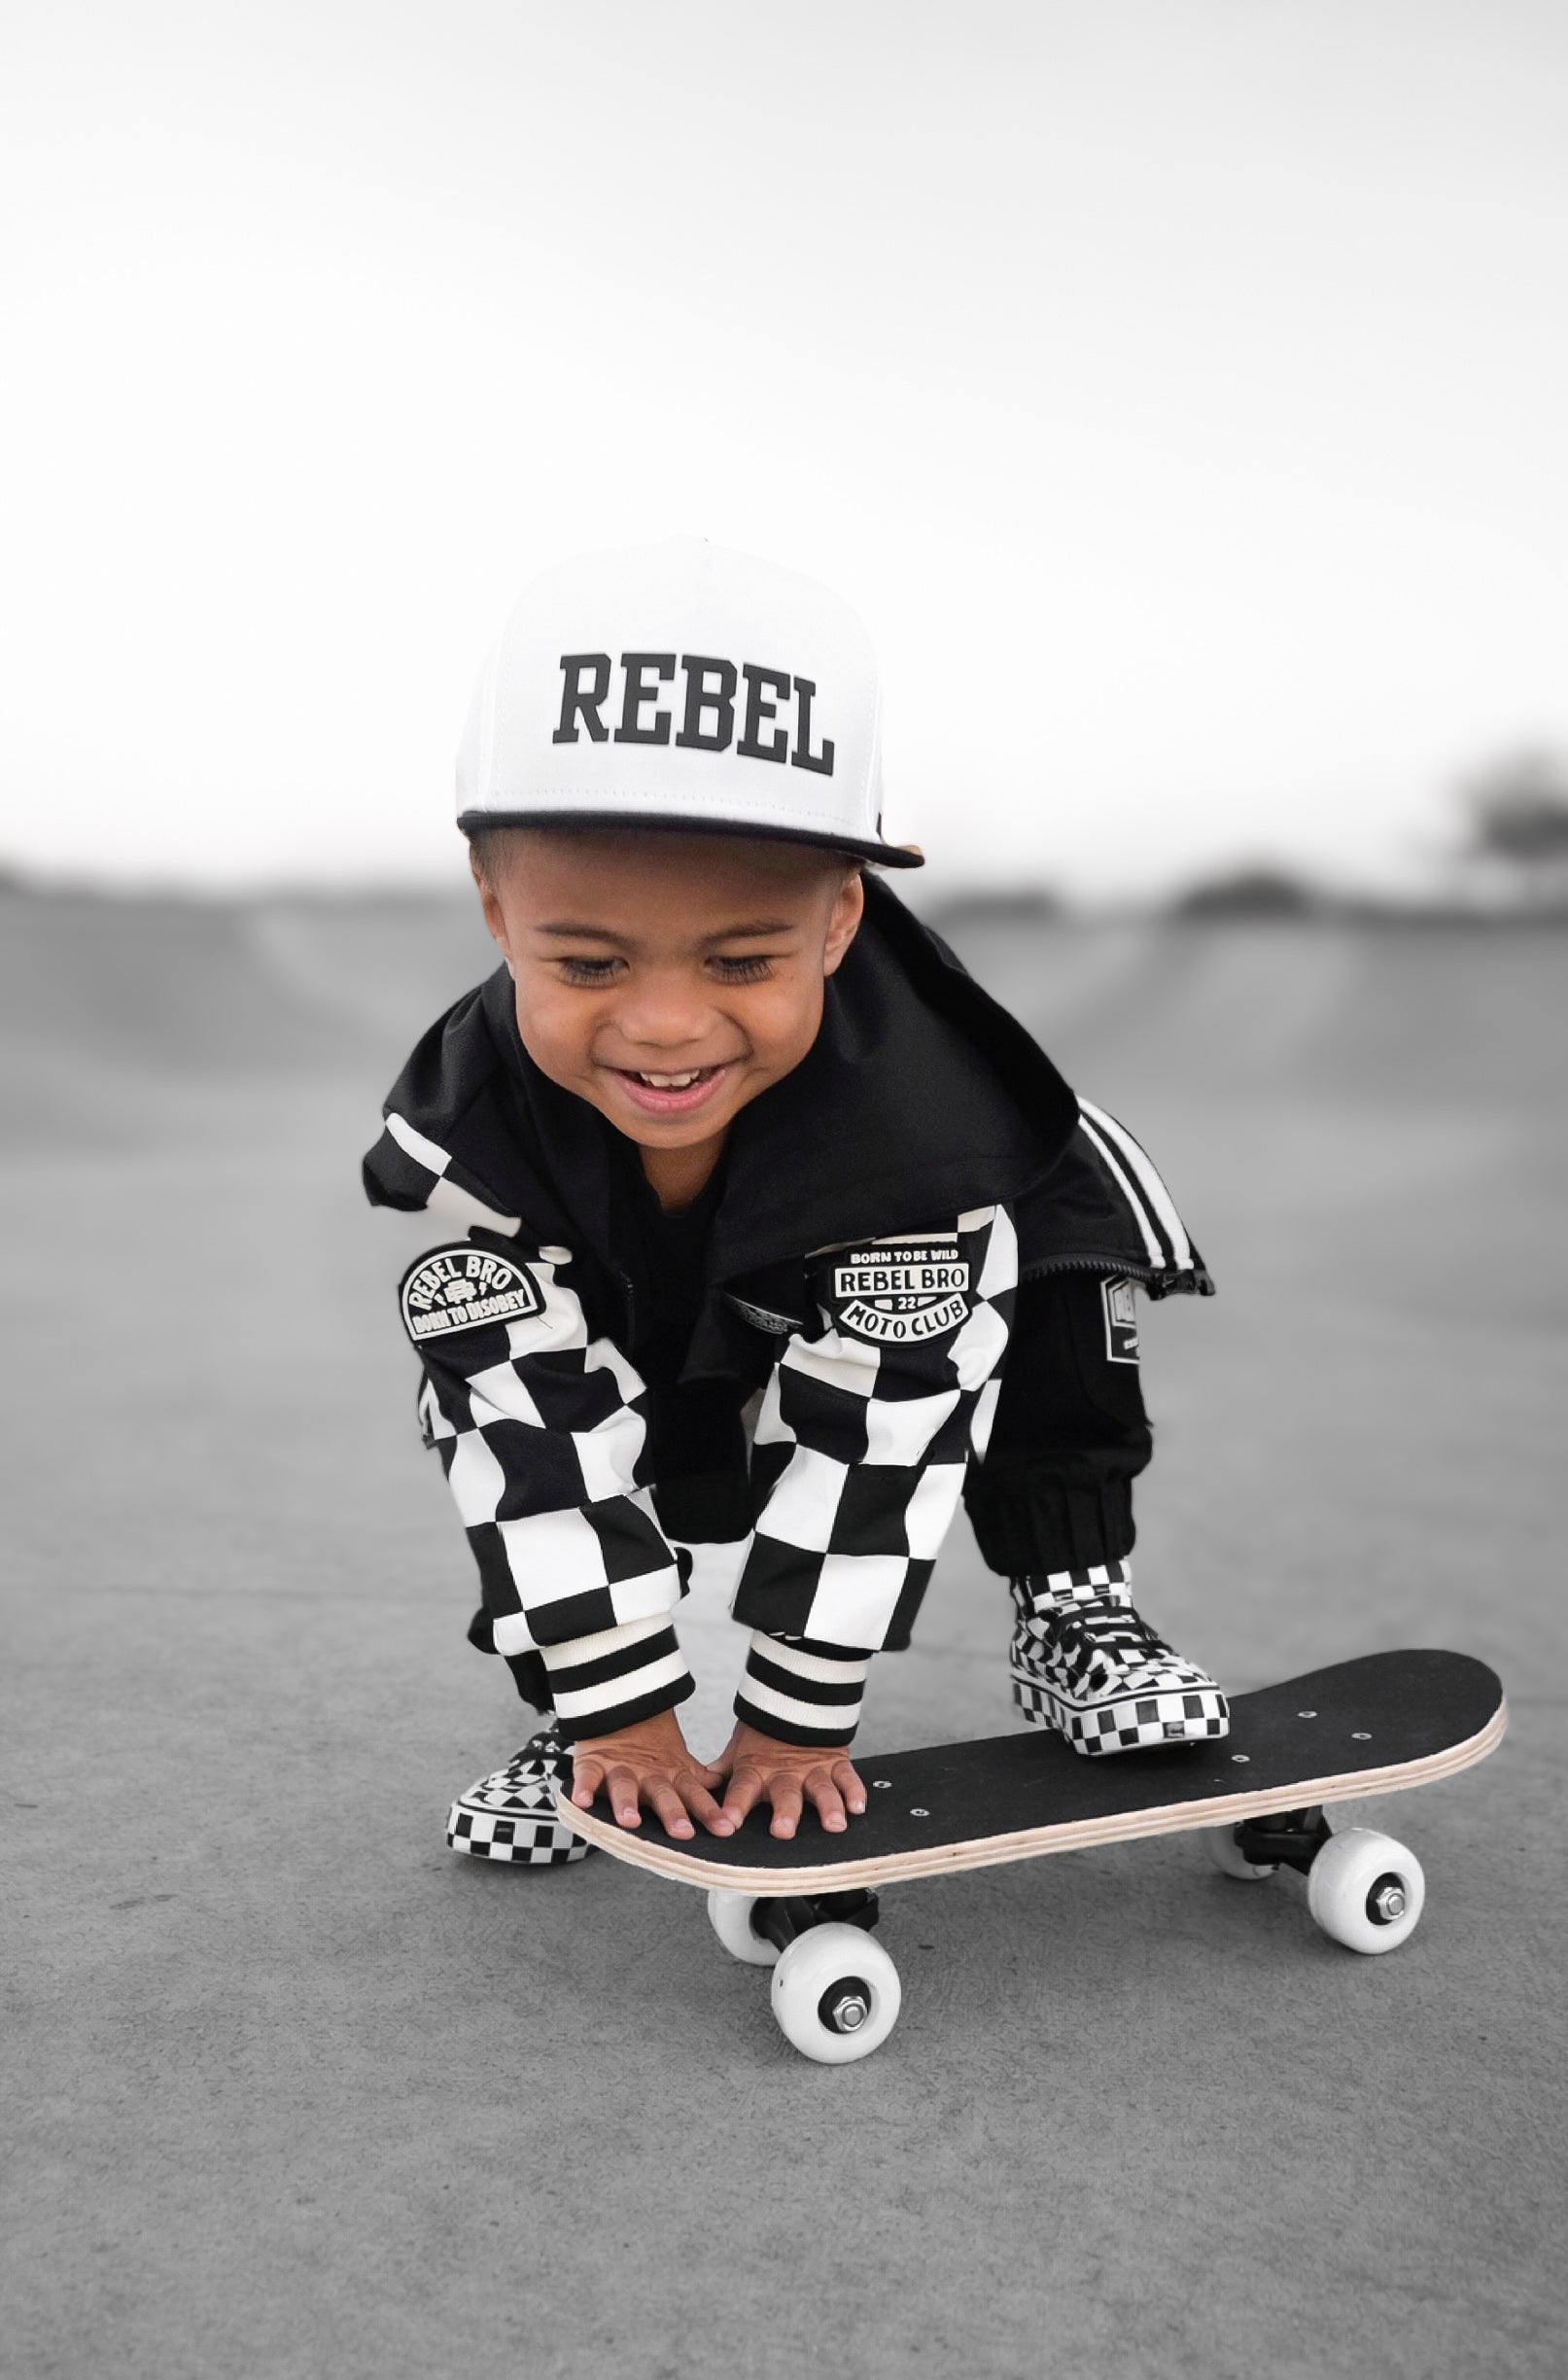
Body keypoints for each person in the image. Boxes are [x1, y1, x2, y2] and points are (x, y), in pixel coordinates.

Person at [363, 536, 1225, 1866]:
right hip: (647, 1266)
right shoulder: (466, 1144)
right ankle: (580, 1707)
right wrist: (620, 1714)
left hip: (980, 1224)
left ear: (837, 923)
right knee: (575, 1397)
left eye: (740, 960)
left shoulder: (928, 1138)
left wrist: (796, 1723)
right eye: (587, 964)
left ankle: (1072, 1602)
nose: (664, 1026)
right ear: (494, 909)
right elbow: (526, 1438)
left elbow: (886, 1425)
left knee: (1050, 1283)